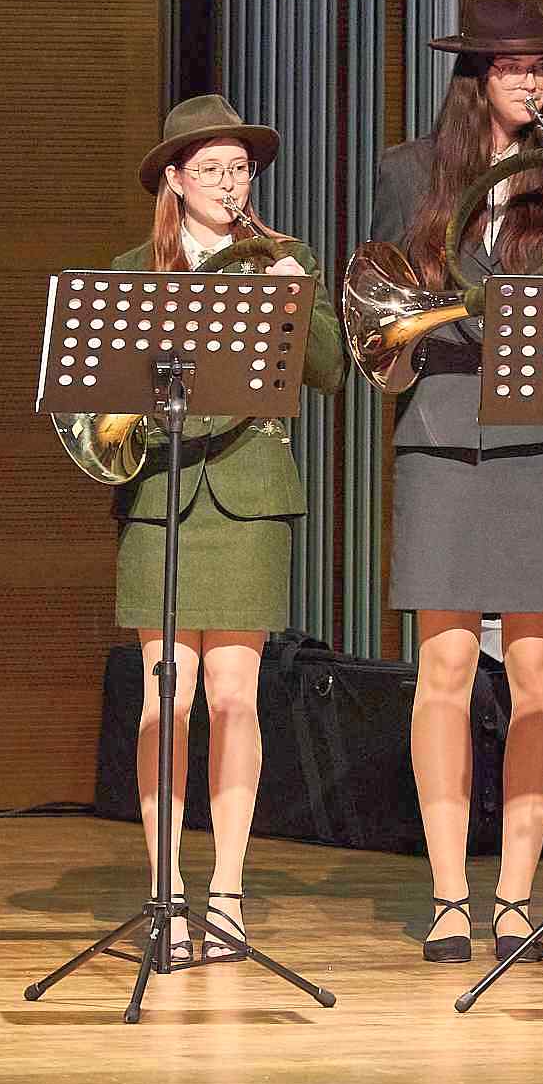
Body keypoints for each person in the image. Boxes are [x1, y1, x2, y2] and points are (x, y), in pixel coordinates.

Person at [368, 0, 543, 964]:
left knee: (537, 669)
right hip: (441, 428)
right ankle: (447, 895)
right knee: (441, 666)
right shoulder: (410, 170)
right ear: (475, 75)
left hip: (540, 436)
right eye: (514, 66)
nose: (533, 81)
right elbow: (391, 302)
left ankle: (514, 896)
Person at [107, 94, 343, 962]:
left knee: (235, 697)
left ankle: (229, 892)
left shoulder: (286, 258)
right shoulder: (136, 268)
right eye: (210, 168)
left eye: (239, 168)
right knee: (165, 697)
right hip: (163, 497)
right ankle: (165, 892)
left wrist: (293, 300)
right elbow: (105, 393)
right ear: (175, 179)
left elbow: (330, 369)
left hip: (249, 497)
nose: (228, 182)